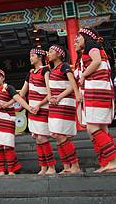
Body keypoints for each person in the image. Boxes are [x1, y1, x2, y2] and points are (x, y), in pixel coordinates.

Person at [76, 27, 116, 173]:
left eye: (78, 37)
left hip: (96, 90)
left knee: (92, 128)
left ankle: (112, 160)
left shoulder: (92, 46)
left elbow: (96, 61)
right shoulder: (96, 47)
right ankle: (106, 163)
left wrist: (83, 75)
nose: (76, 40)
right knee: (102, 128)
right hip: (102, 90)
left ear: (86, 37)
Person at [0, 68, 33, 175]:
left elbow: (18, 98)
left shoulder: (9, 88)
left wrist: (28, 108)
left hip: (7, 120)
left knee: (8, 145)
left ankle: (11, 170)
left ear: (3, 78)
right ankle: (1, 170)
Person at [19, 48, 56, 175]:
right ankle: (43, 166)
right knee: (38, 139)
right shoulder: (30, 73)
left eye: (33, 55)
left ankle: (51, 166)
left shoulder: (45, 70)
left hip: (43, 107)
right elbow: (23, 92)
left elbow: (49, 90)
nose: (30, 58)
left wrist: (39, 104)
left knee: (42, 137)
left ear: (40, 57)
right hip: (32, 109)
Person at [46, 45, 81, 174]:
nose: (48, 53)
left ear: (59, 54)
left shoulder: (65, 66)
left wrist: (59, 96)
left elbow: (72, 84)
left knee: (60, 135)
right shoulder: (52, 69)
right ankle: (67, 166)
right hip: (56, 104)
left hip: (65, 102)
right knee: (56, 134)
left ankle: (75, 165)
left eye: (51, 51)